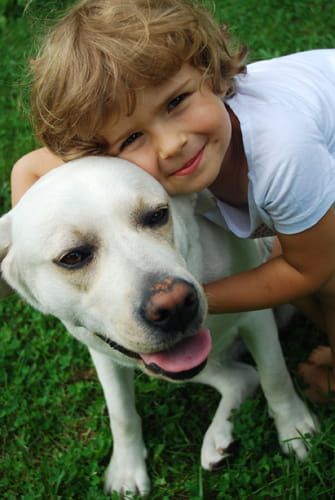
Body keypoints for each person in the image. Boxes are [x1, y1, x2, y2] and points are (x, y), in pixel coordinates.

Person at [11, 0, 335, 403]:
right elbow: (28, 166)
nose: (172, 144)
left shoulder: (283, 154)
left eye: (176, 101)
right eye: (132, 138)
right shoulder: (151, 146)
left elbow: (310, 270)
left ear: (210, 73)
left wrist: (194, 296)